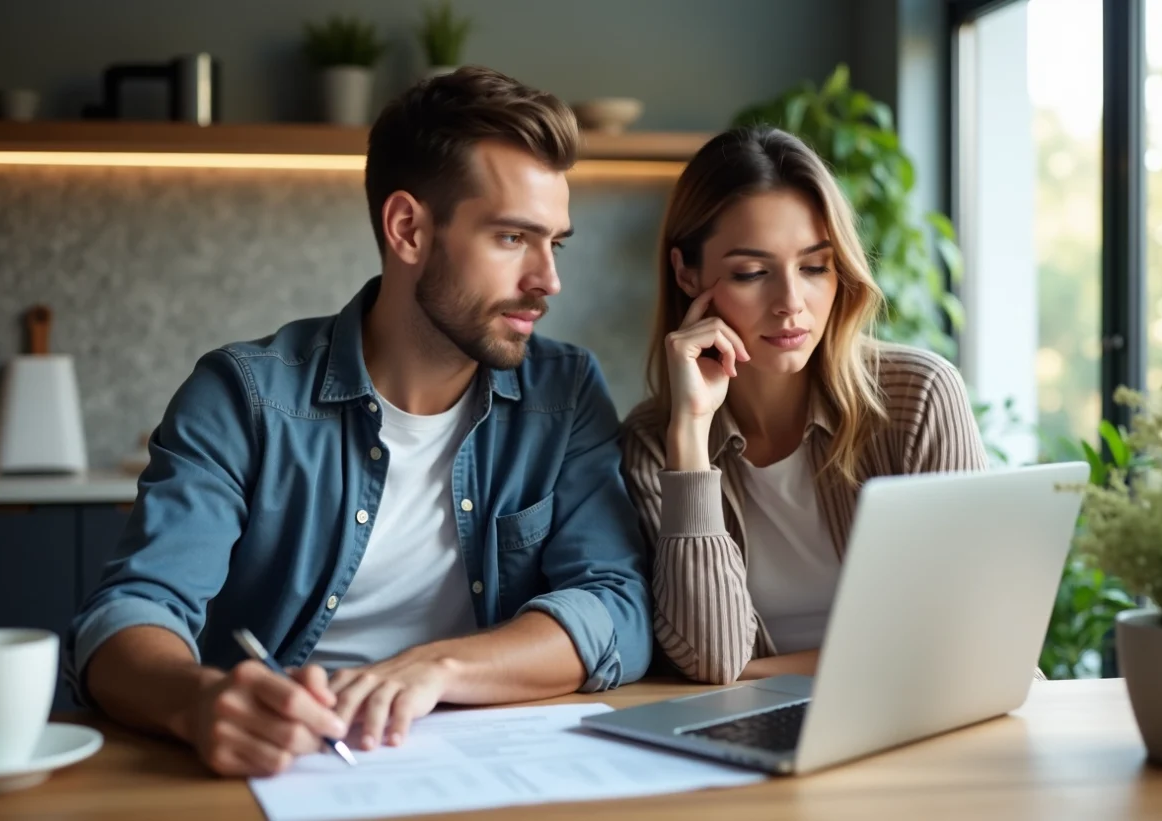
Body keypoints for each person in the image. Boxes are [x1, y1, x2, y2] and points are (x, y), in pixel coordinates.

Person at [65, 66, 652, 777]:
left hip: (487, 770)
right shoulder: (243, 398)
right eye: (511, 239)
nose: (548, 280)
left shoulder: (564, 393)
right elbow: (128, 614)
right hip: (284, 774)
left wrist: (434, 667)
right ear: (407, 228)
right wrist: (198, 702)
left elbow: (616, 604)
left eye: (553, 243)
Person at [621, 125, 990, 686]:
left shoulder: (918, 398)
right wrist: (692, 436)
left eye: (815, 267)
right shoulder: (656, 441)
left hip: (928, 718)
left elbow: (966, 636)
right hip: (761, 740)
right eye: (751, 273)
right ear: (687, 273)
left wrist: (760, 672)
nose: (791, 303)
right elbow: (714, 660)